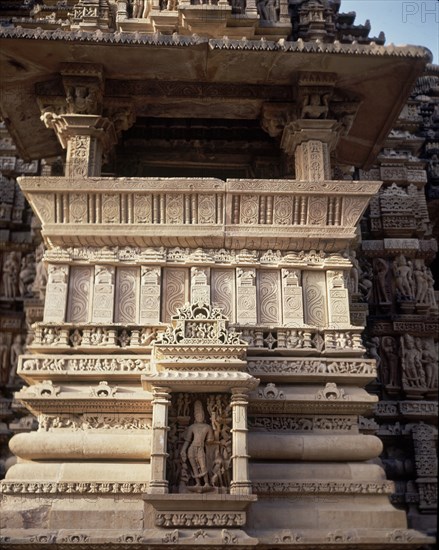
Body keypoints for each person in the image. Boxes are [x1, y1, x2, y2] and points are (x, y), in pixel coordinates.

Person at [180, 400, 214, 489]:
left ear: (204, 415)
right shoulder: (192, 427)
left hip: (201, 448)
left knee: (203, 465)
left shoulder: (207, 427)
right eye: (198, 415)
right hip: (191, 448)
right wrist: (183, 450)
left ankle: (206, 483)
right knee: (194, 466)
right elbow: (187, 441)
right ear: (195, 416)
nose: (200, 416)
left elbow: (210, 440)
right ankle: (197, 483)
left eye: (201, 415)